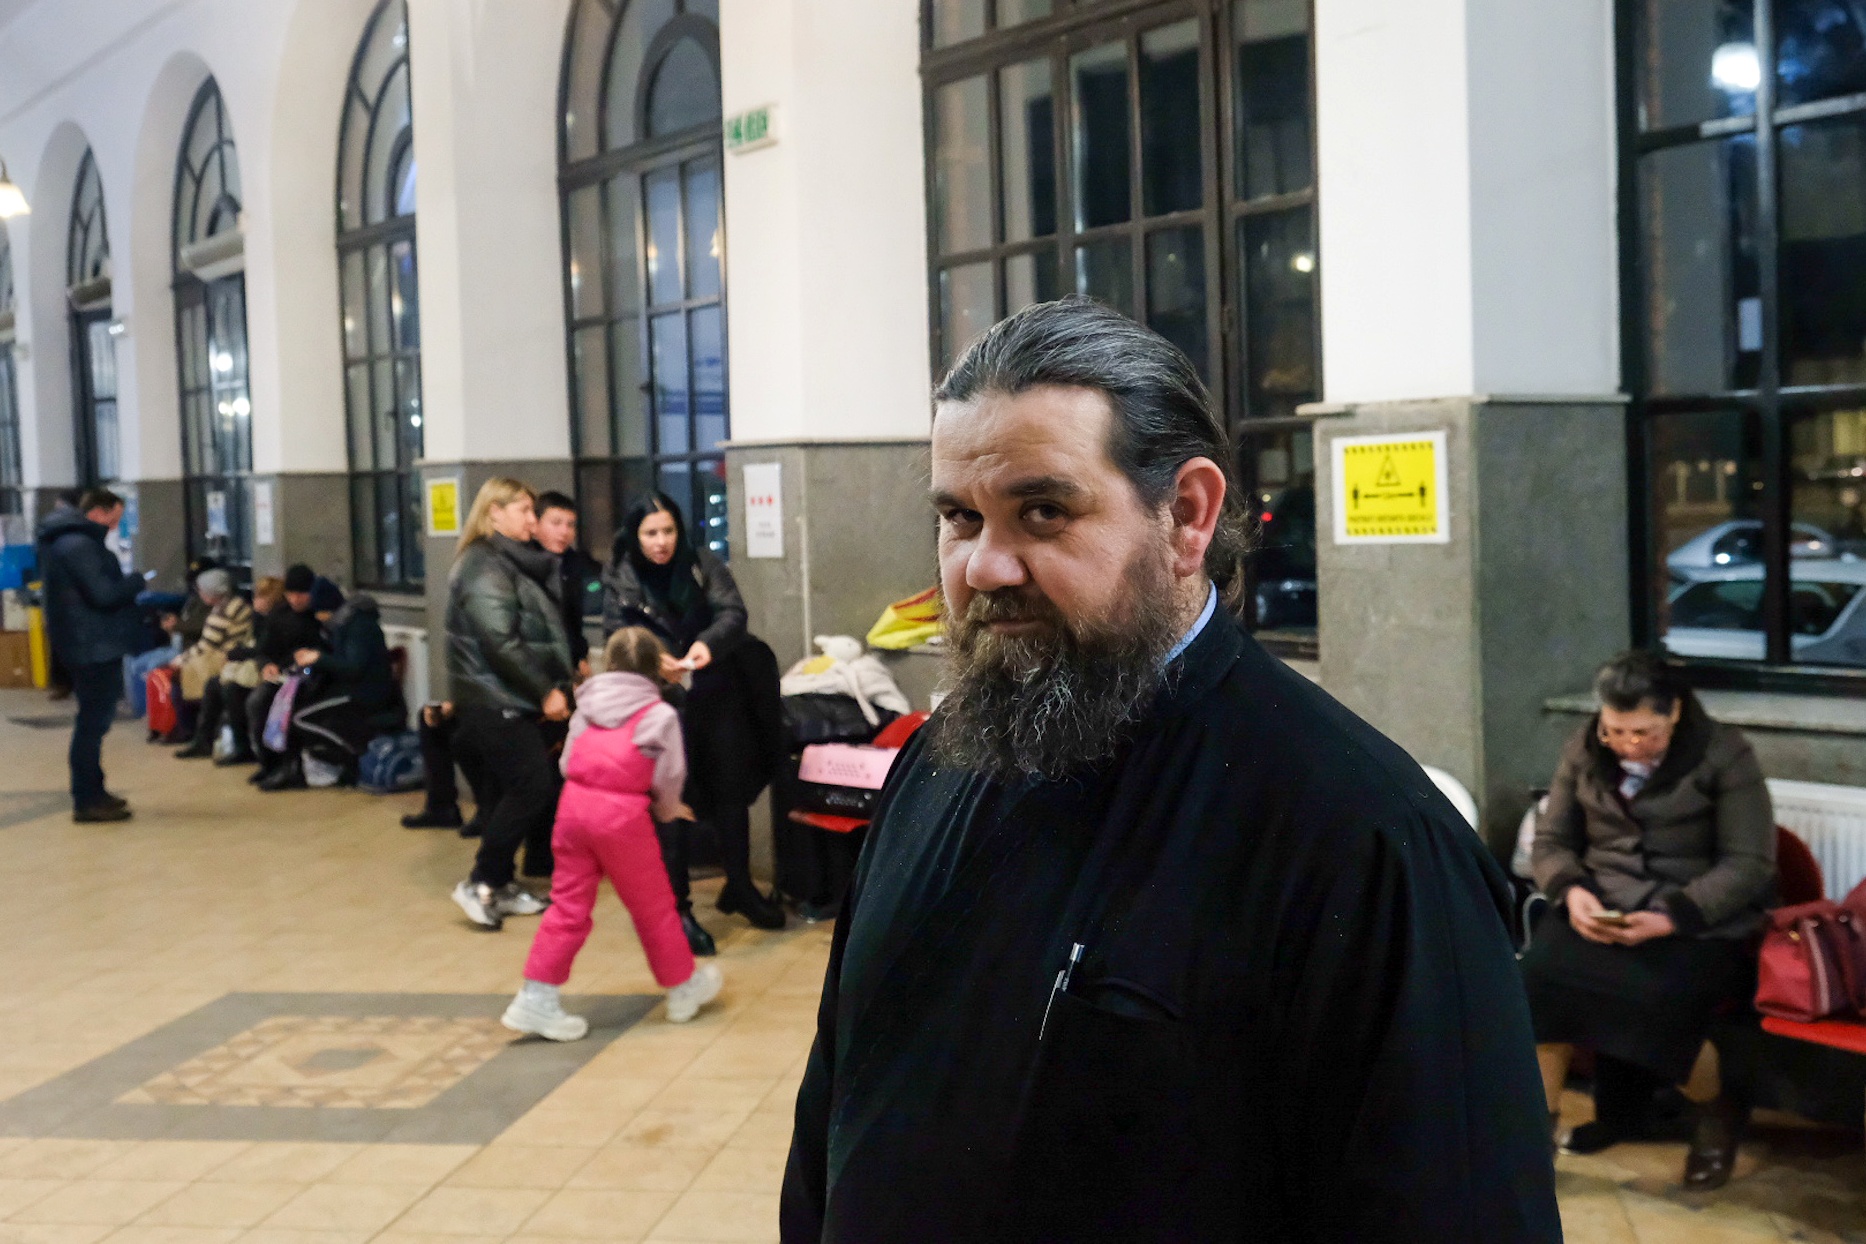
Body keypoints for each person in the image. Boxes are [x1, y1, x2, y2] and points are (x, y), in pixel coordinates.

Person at [779, 299, 1559, 1243]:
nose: (983, 566)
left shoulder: (1364, 840)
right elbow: (839, 1096)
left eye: (1043, 511)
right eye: (959, 517)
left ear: (1188, 514)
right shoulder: (941, 759)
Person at [1524, 649, 1775, 1191]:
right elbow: (1553, 841)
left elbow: (1749, 863)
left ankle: (1718, 1114)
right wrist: (1571, 893)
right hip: (1600, 907)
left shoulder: (1725, 755)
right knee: (1537, 989)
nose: (1630, 745)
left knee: (1661, 1006)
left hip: (1694, 918)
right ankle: (1531, 1142)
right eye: (1617, 731)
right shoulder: (1586, 748)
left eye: (1645, 733)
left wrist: (1672, 916)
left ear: (1676, 713)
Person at [503, 626, 725, 1041]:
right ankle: (683, 989)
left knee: (567, 907)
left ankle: (536, 997)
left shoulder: (586, 704)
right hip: (622, 818)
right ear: (654, 668)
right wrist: (666, 810)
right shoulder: (658, 715)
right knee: (653, 907)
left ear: (610, 663)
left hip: (573, 810)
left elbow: (568, 761)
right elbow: (671, 775)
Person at [605, 493, 787, 941]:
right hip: (660, 703)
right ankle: (678, 908)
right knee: (672, 801)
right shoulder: (622, 577)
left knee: (731, 788)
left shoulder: (702, 562)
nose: (661, 541)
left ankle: (740, 886)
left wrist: (708, 644)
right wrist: (655, 660)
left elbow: (732, 613)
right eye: (651, 533)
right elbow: (617, 636)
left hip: (715, 691)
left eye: (668, 531)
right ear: (635, 536)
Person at [446, 477, 576, 931]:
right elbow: (500, 640)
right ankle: (480, 881)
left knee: (515, 789)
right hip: (493, 698)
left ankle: (501, 883)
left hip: (506, 696)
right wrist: (546, 690)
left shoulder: (508, 562)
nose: (532, 519)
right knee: (531, 787)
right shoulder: (484, 566)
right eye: (523, 510)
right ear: (493, 513)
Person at [37, 488, 143, 823]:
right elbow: (103, 594)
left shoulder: (66, 541)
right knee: (92, 725)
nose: (117, 524)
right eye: (116, 516)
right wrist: (134, 583)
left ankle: (94, 790)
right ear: (99, 511)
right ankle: (87, 798)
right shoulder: (79, 545)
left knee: (92, 722)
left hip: (83, 642)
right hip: (92, 646)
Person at [260, 589, 403, 790]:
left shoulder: (358, 627)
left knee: (299, 718)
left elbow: (354, 668)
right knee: (296, 707)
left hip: (362, 693)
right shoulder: (345, 624)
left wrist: (318, 659)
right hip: (349, 688)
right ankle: (293, 767)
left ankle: (350, 758)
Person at [178, 575, 281, 761]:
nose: (255, 600)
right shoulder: (258, 617)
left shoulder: (270, 621)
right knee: (214, 685)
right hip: (254, 664)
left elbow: (261, 649)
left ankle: (241, 746)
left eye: (260, 596)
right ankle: (205, 739)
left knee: (230, 689)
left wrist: (234, 655)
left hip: (264, 668)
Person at [242, 566, 330, 779]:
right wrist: (266, 665)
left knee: (283, 704)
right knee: (257, 701)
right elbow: (263, 651)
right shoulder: (279, 617)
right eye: (290, 594)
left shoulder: (321, 617)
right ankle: (268, 762)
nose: (295, 599)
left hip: (314, 678)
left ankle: (289, 766)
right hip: (283, 675)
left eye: (300, 594)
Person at [172, 569, 255, 758]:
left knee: (180, 678)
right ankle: (200, 738)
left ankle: (191, 733)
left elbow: (207, 644)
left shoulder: (225, 611)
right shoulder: (232, 605)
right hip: (228, 658)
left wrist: (181, 659)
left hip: (228, 661)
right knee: (209, 686)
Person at [535, 490, 604, 674]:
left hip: (570, 657)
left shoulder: (577, 563)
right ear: (536, 524)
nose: (564, 532)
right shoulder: (526, 563)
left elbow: (573, 618)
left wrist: (579, 656)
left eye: (570, 525)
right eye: (556, 523)